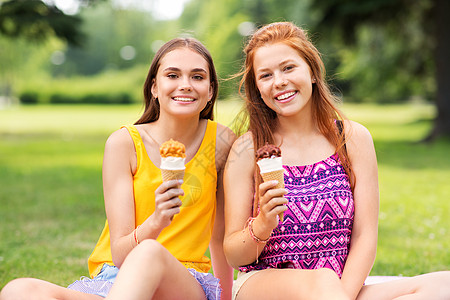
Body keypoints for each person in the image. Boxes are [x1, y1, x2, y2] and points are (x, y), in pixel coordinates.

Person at [223, 21, 450, 300]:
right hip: (263, 284)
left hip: (337, 289)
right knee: (321, 280)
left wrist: (340, 293)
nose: (279, 81)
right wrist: (262, 223)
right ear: (257, 88)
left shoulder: (352, 138)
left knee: (443, 285)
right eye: (265, 75)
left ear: (313, 72)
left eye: (289, 68)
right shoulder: (246, 149)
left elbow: (365, 237)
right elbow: (234, 254)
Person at [1, 37, 234, 300]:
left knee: (149, 253)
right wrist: (157, 220)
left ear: (211, 90)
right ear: (155, 87)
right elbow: (122, 254)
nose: (185, 85)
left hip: (183, 282)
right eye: (173, 75)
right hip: (116, 282)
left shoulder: (223, 143)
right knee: (19, 290)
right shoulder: (124, 144)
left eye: (197, 77)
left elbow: (220, 235)